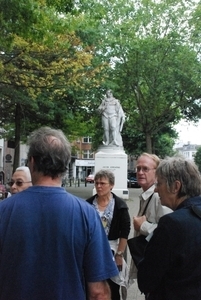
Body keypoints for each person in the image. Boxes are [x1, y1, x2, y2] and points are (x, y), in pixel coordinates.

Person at [0, 127, 118, 300]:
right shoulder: (87, 214)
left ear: (31, 162)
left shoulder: (3, 211)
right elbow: (98, 292)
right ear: (65, 164)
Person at [137, 156, 201, 299]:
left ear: (175, 187)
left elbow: (146, 279)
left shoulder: (172, 224)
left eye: (159, 184)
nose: (156, 190)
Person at [86, 169, 131, 300]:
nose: (98, 186)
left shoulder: (120, 206)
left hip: (112, 251)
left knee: (112, 287)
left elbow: (125, 231)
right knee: (92, 285)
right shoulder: (87, 204)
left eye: (102, 183)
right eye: (96, 183)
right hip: (91, 252)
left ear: (111, 185)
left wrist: (119, 254)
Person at [129, 153, 172, 284]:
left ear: (157, 172)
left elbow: (169, 233)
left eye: (145, 169)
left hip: (158, 269)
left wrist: (143, 226)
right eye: (138, 168)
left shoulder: (158, 197)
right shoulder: (146, 195)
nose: (140, 172)